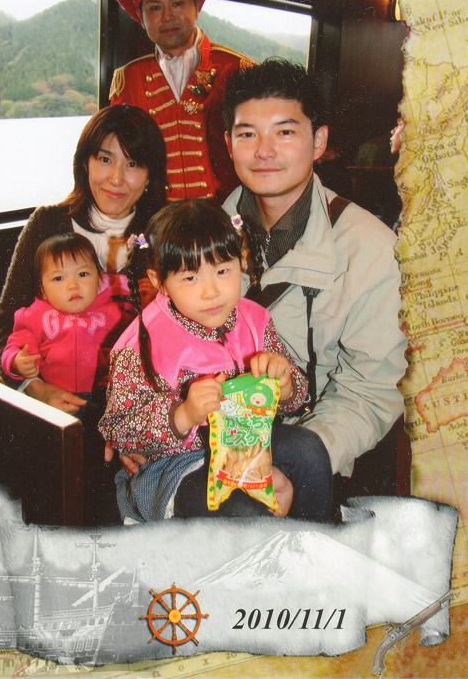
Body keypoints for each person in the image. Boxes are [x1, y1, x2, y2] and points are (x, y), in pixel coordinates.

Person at [221, 58, 407, 486]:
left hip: (311, 452)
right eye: (247, 134)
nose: (264, 151)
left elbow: (367, 391)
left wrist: (295, 462)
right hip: (205, 444)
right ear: (229, 144)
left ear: (319, 141)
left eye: (284, 132)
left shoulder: (371, 250)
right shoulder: (200, 237)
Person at [98, 199, 334, 523]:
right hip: (177, 465)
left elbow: (296, 399)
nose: (210, 291)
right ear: (158, 281)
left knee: (309, 450)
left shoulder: (254, 321)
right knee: (242, 512)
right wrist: (183, 414)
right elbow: (119, 428)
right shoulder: (141, 343)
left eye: (223, 271)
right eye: (190, 278)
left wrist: (286, 385)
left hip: (249, 441)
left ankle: (315, 544)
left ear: (242, 262)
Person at [0, 104, 167, 413]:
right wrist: (34, 388)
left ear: (150, 174)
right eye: (105, 159)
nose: (116, 178)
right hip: (47, 399)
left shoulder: (165, 233)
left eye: (132, 163)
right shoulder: (47, 224)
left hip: (137, 406)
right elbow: (7, 320)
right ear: (85, 163)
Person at [109, 0, 253, 202]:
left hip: (228, 213)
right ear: (141, 18)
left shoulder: (237, 68)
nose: (167, 17)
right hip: (157, 217)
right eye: (154, 8)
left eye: (177, 3)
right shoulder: (128, 79)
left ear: (196, 8)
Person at [1, 233, 132, 394]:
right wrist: (16, 362)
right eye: (58, 278)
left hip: (107, 396)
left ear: (99, 280)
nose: (73, 285)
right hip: (56, 397)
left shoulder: (116, 311)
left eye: (82, 274)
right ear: (42, 290)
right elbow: (15, 346)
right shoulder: (35, 316)